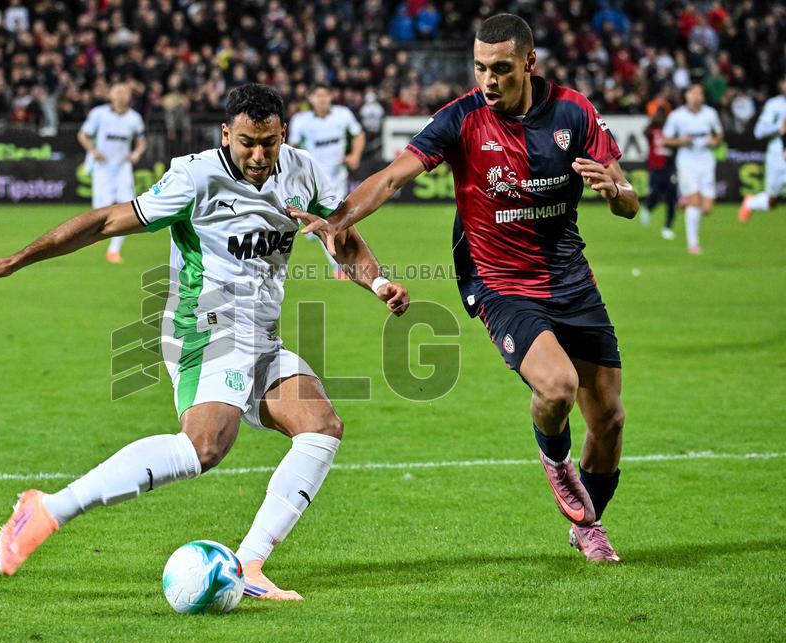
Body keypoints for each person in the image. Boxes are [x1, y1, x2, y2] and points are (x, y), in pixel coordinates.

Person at [0, 84, 409, 600]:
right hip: (205, 326)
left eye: (269, 143)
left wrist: (378, 284)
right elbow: (106, 220)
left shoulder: (302, 170)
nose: (259, 156)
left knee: (321, 428)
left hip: (261, 334)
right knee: (205, 446)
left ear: (283, 133)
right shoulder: (196, 176)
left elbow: (342, 236)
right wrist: (15, 261)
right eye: (246, 143)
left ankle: (249, 565)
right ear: (226, 134)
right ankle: (48, 509)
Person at [291, 14, 639, 563]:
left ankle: (587, 526)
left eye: (500, 68)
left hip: (571, 278)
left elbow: (628, 200)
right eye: (479, 67)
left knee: (611, 418)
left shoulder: (575, 111)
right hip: (498, 281)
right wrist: (338, 219)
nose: (488, 80)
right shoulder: (461, 119)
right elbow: (392, 176)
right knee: (556, 387)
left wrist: (613, 191)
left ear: (529, 64)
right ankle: (558, 467)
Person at [288, 83, 365, 278]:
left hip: (337, 179)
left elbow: (358, 135)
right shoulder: (301, 121)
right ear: (310, 99)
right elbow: (291, 147)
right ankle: (337, 259)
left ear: (331, 96)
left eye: (325, 95)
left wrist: (354, 155)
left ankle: (339, 266)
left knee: (333, 220)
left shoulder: (343, 114)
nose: (322, 99)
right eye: (317, 96)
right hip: (311, 179)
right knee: (327, 222)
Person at [78, 82, 147, 264]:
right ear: (110, 96)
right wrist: (92, 150)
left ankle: (114, 250)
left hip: (122, 168)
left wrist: (136, 154)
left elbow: (141, 141)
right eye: (118, 92)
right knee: (102, 208)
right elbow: (83, 135)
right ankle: (96, 235)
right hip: (102, 167)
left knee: (128, 208)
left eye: (125, 92)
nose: (121, 95)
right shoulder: (99, 114)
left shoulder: (134, 118)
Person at [662, 83, 724, 254]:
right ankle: (693, 244)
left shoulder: (710, 114)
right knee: (695, 203)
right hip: (687, 162)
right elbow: (666, 140)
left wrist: (715, 141)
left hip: (706, 161)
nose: (697, 96)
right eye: (693, 93)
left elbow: (719, 134)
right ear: (687, 95)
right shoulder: (677, 116)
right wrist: (680, 141)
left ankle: (684, 200)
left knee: (707, 208)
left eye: (700, 93)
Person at [738, 75, 786, 222]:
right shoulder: (774, 105)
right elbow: (758, 132)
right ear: (782, 85)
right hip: (777, 156)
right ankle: (751, 203)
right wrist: (779, 128)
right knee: (771, 200)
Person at [641, 106, 679, 240]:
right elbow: (644, 132)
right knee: (655, 193)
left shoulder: (673, 132)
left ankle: (668, 227)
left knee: (671, 198)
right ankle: (648, 208)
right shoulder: (652, 131)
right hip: (656, 168)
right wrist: (653, 121)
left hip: (670, 168)